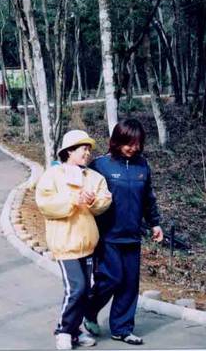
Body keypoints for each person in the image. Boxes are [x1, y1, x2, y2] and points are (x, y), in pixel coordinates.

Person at [83, 119, 164, 346]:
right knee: (111, 278)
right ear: (117, 141)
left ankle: (121, 328)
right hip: (107, 235)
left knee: (129, 284)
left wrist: (155, 224)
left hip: (132, 236)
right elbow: (80, 185)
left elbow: (148, 199)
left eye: (138, 143)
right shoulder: (101, 165)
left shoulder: (142, 166)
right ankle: (88, 310)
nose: (133, 148)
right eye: (129, 143)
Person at [35, 130, 112, 350]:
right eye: (82, 149)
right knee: (76, 288)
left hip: (88, 244)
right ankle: (63, 330)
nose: (87, 153)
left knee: (86, 291)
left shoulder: (94, 177)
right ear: (69, 151)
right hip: (65, 244)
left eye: (89, 149)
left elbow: (104, 200)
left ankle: (75, 331)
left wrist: (93, 201)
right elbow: (45, 204)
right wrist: (73, 199)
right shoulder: (53, 175)